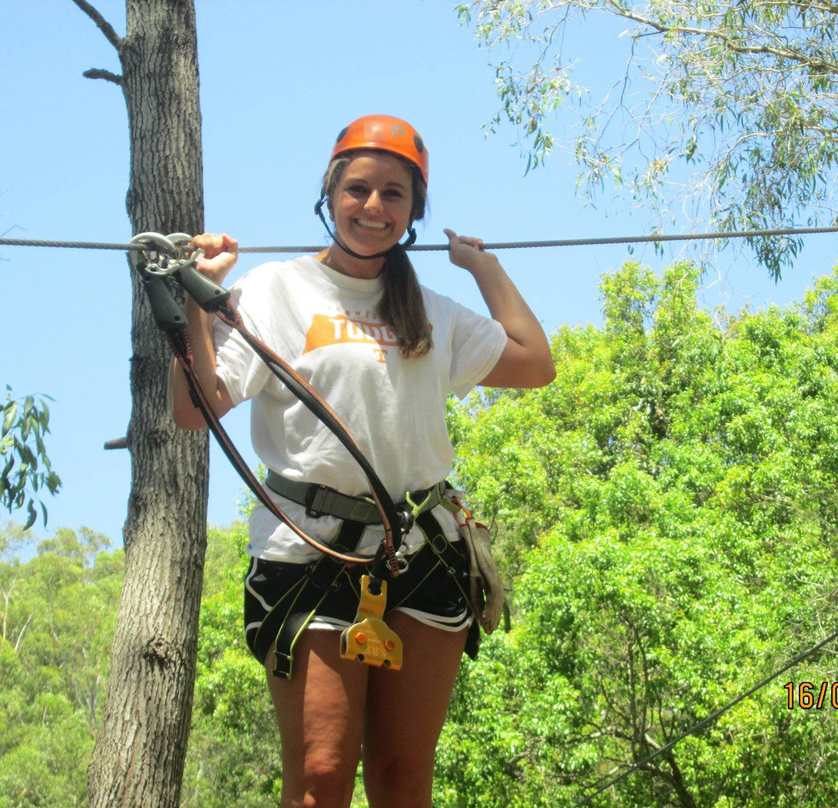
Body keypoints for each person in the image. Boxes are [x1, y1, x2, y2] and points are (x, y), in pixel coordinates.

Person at [170, 113, 555, 808]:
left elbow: (534, 363)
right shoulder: (273, 292)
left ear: (414, 211)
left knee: (404, 779)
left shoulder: (432, 313)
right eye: (357, 189)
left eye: (393, 194)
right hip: (309, 553)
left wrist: (484, 267)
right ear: (329, 195)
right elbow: (198, 406)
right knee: (321, 775)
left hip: (424, 552)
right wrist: (196, 297)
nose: (373, 207)